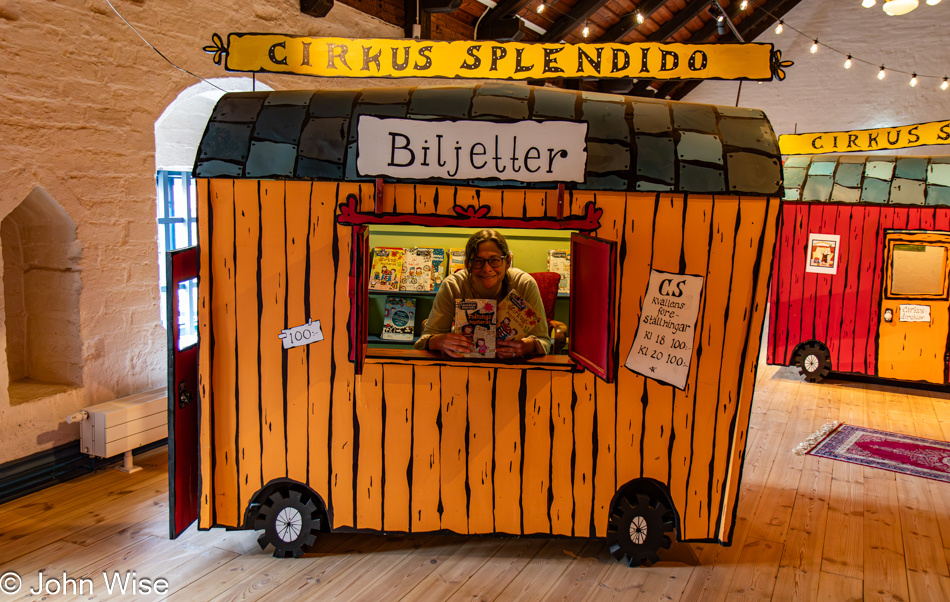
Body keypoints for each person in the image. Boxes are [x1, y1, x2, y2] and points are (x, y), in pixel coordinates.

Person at [415, 229, 552, 359]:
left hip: (512, 366)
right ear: (467, 265)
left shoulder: (524, 284)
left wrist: (526, 347)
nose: (487, 269)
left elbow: (544, 342)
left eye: (495, 260)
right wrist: (437, 341)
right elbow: (422, 342)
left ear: (508, 262)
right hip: (465, 365)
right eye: (477, 261)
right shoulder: (453, 286)